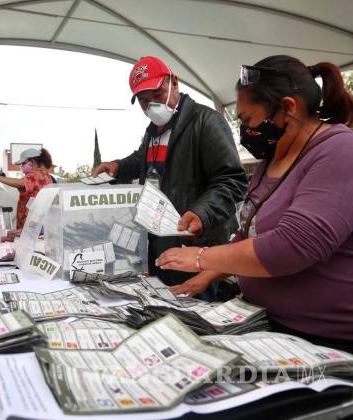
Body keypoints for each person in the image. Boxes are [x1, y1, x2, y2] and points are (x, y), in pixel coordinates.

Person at [157, 55, 353, 352]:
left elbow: (293, 246)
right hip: (266, 325)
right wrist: (204, 278)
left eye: (248, 121)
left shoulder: (340, 150)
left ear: (288, 107)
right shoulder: (270, 162)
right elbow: (248, 235)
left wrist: (202, 257)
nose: (245, 132)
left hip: (323, 340)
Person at [93, 56, 247, 300]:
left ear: (174, 82)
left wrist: (202, 213)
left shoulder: (206, 121)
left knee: (196, 308)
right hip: (161, 242)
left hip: (197, 244)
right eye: (144, 101)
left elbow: (232, 180)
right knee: (165, 305)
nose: (152, 105)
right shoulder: (153, 132)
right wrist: (117, 166)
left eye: (157, 94)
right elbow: (142, 159)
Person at [0, 148, 54, 229]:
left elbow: (19, 183)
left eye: (24, 163)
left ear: (32, 162)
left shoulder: (35, 175)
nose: (22, 167)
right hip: (40, 223)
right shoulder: (48, 176)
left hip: (28, 226)